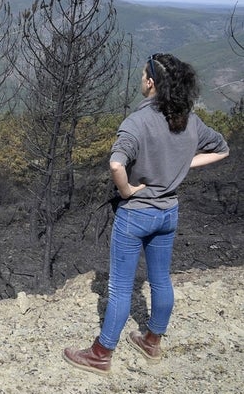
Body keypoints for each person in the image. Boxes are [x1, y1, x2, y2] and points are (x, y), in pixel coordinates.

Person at [63, 53, 230, 375]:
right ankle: (152, 340)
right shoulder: (188, 119)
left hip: (136, 214)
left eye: (142, 76)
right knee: (160, 280)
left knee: (121, 287)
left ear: (151, 83)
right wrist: (181, 166)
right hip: (169, 211)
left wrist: (126, 190)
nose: (141, 80)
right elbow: (221, 149)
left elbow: (116, 163)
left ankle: (101, 353)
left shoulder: (136, 123)